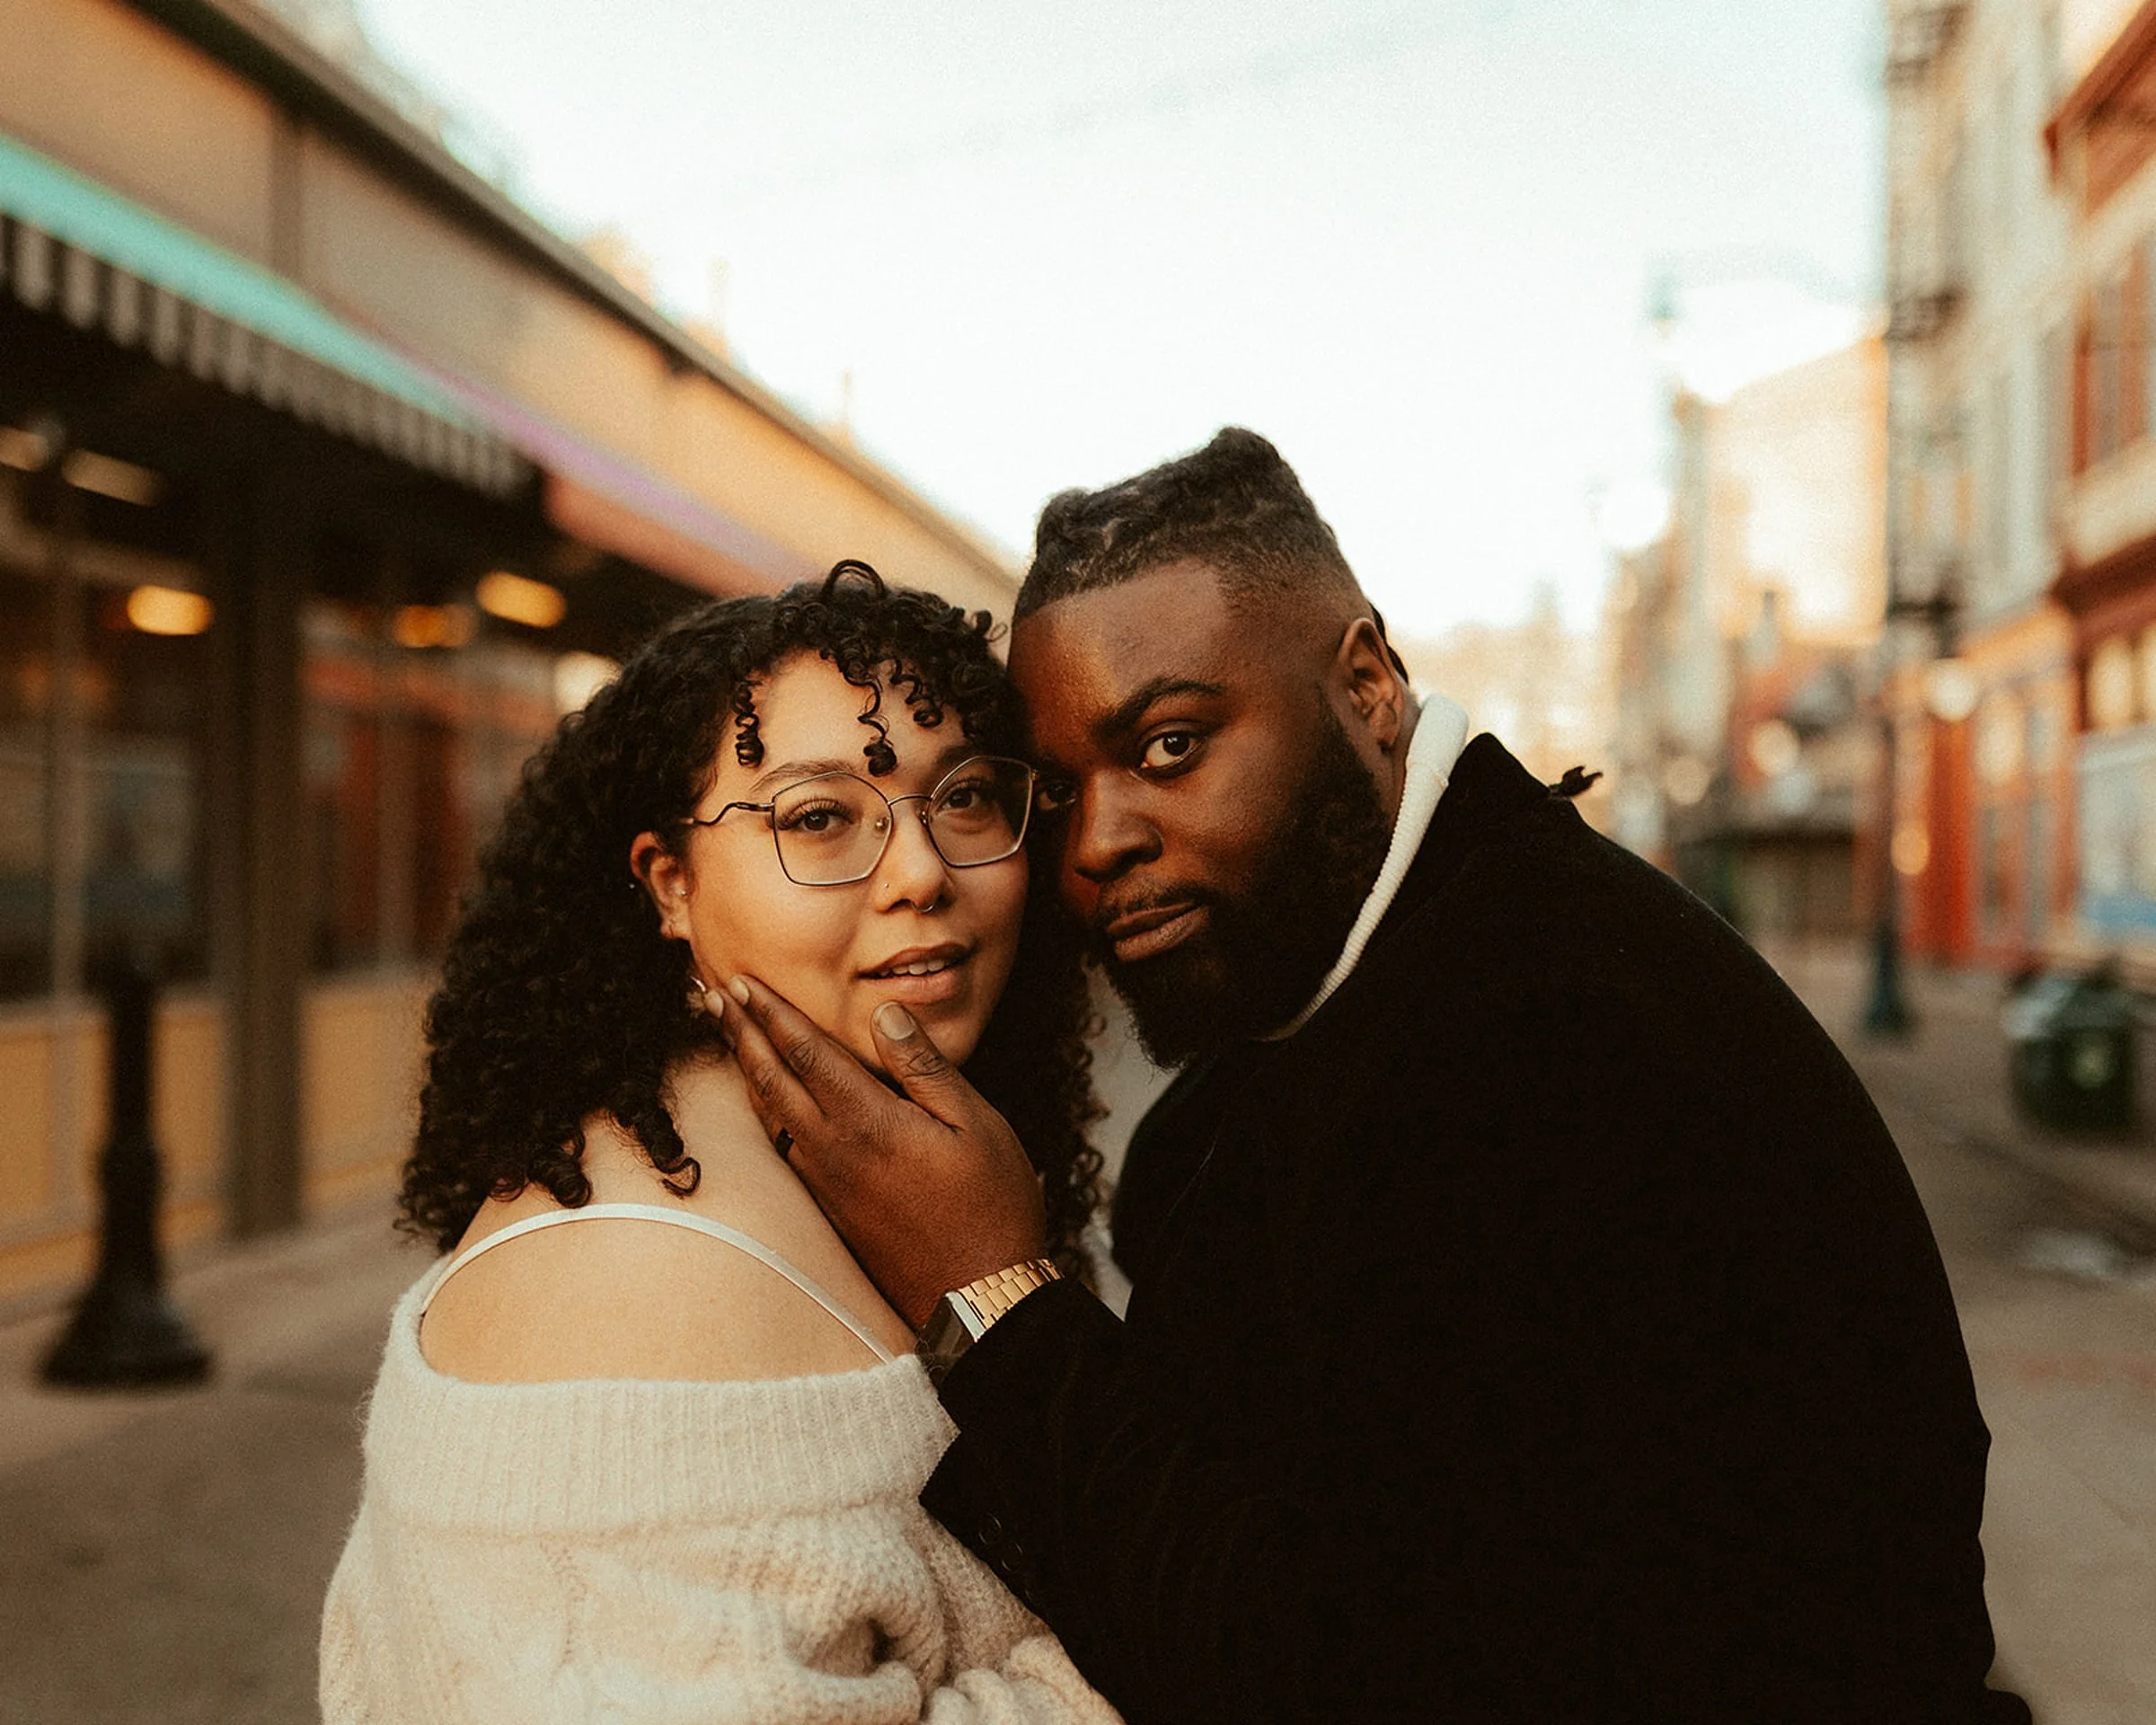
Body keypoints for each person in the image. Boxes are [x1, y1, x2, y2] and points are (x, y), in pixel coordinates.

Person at [719, 431, 2033, 1723]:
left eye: (1170, 745)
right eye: (1059, 792)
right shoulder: (1350, 1009)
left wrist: (1005, 1299)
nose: (1101, 843)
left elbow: (1354, 1676)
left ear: (1367, 686)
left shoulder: (1541, 1049)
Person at [320, 563, 1120, 1725]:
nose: (922, 873)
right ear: (670, 886)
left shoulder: (863, 1161)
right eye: (816, 816)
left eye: (966, 799)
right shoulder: (632, 1291)